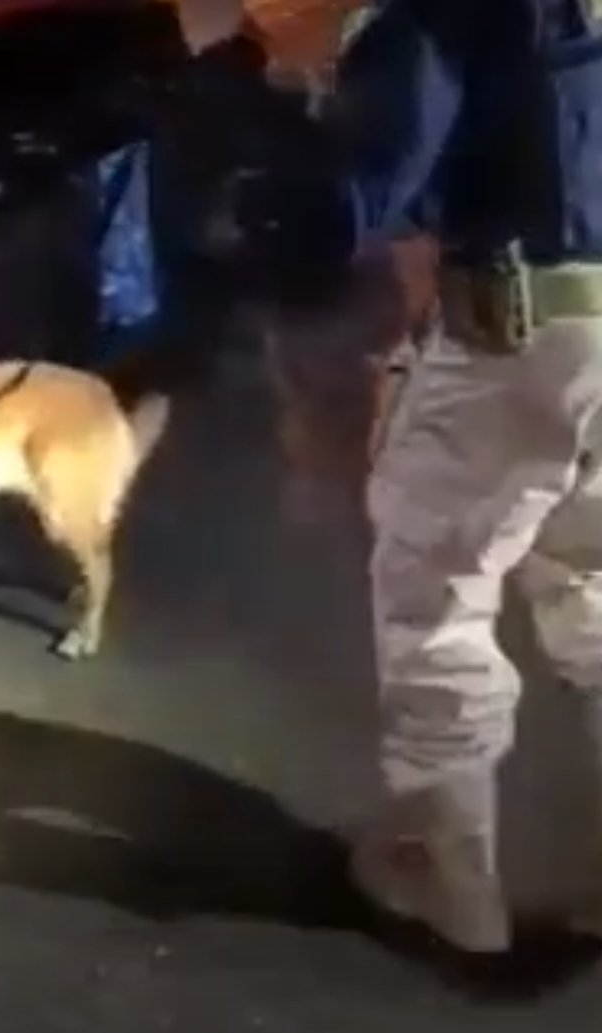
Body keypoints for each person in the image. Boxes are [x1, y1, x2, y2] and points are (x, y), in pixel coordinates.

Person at [225, 0, 602, 955]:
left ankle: (450, 869)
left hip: (519, 344)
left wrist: (269, 103)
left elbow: (350, 193)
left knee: (436, 598)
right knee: (592, 586)